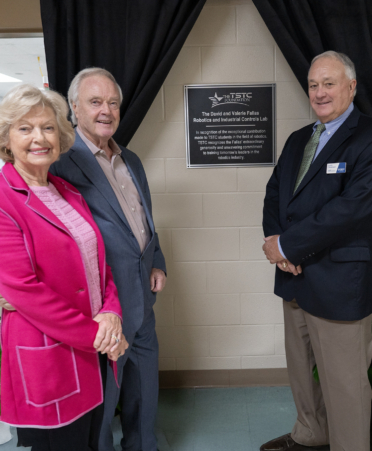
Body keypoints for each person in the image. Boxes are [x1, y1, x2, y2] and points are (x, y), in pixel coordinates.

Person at [39, 67, 165, 451]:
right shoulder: (59, 162)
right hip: (101, 306)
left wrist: (157, 259)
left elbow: (144, 220)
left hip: (143, 296)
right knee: (102, 399)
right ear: (74, 108)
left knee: (144, 390)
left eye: (113, 103)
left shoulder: (131, 160)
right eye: (95, 102)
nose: (106, 111)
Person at [0, 83, 128, 451]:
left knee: (90, 441)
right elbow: (24, 290)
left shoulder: (66, 192)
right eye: (25, 128)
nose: (38, 138)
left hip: (93, 350)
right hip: (50, 354)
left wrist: (112, 314)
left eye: (48, 127)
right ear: (8, 140)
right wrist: (98, 335)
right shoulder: (4, 199)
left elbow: (100, 267)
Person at [262, 51, 372, 451]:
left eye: (329, 83)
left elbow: (352, 209)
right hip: (295, 278)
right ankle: (312, 433)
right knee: (301, 371)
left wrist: (289, 245)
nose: (320, 92)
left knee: (344, 382)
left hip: (339, 282)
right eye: (313, 84)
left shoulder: (367, 137)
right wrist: (277, 246)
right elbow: (275, 195)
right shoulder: (297, 141)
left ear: (352, 87)